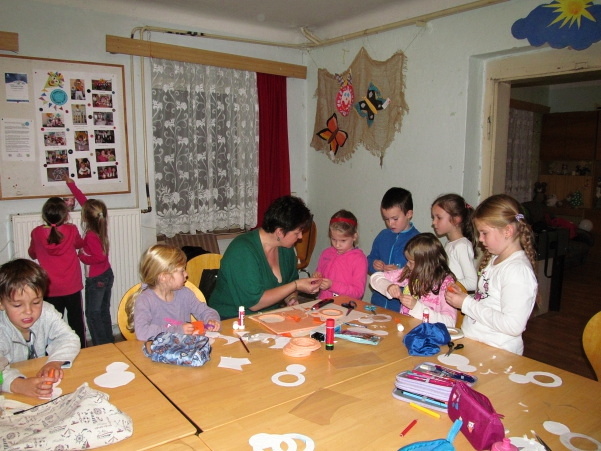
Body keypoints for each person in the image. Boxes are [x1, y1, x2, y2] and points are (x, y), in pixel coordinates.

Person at [445, 194, 538, 355]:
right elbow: (488, 301)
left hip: (498, 353)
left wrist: (466, 303)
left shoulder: (517, 271)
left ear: (507, 231)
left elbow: (513, 325)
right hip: (478, 347)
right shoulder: (495, 259)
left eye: (484, 233)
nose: (480, 239)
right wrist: (464, 296)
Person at [209, 195, 322, 319]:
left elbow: (288, 284)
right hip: (232, 319)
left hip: (268, 317)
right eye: (297, 232)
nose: (300, 237)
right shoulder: (242, 250)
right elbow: (254, 303)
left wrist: (291, 297)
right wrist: (296, 285)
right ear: (279, 232)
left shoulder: (286, 248)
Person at [0, 259, 80, 398]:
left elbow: (69, 338)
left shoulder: (47, 312)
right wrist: (18, 384)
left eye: (36, 302)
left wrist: (55, 361)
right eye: (18, 305)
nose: (28, 311)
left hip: (39, 383)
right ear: (1, 303)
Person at [127, 244, 221, 341]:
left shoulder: (185, 294)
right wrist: (178, 330)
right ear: (163, 277)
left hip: (183, 346)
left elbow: (204, 311)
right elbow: (142, 332)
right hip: (156, 348)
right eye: (182, 271)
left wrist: (211, 319)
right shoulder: (145, 300)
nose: (186, 274)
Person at [28, 197, 86, 348]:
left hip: (50, 288)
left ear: (44, 215)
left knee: (51, 324)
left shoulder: (36, 233)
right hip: (72, 286)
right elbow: (79, 243)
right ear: (65, 215)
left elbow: (32, 254)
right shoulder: (71, 230)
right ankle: (82, 350)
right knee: (76, 322)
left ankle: (52, 353)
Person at [66, 177, 114, 346]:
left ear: (86, 217)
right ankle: (108, 343)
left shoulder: (92, 234)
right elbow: (85, 202)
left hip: (97, 278)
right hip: (106, 275)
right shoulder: (99, 225)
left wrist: (82, 256)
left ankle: (101, 346)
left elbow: (100, 257)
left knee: (93, 314)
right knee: (102, 311)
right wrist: (71, 185)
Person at [370, 233, 457, 326]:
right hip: (406, 327)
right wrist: (388, 286)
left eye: (411, 262)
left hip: (429, 333)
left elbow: (450, 322)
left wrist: (416, 307)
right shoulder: (410, 273)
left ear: (426, 264)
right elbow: (375, 277)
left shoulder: (446, 284)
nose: (407, 264)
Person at [367, 187, 420, 307]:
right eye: (386, 219)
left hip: (401, 306)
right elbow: (369, 260)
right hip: (378, 302)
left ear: (409, 214)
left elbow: (422, 273)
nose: (390, 223)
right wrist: (374, 264)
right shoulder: (383, 236)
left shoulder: (418, 241)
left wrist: (400, 272)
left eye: (395, 219)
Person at [313, 209, 368, 300]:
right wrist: (316, 278)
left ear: (354, 236)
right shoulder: (326, 253)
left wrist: (332, 285)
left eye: (343, 240)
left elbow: (358, 292)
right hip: (323, 302)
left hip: (345, 305)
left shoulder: (359, 259)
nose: (337, 245)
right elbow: (319, 273)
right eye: (333, 239)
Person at [431, 193, 478, 291]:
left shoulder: (461, 246)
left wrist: (443, 284)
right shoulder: (450, 244)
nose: (433, 222)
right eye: (433, 218)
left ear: (456, 220)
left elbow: (472, 283)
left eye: (439, 217)